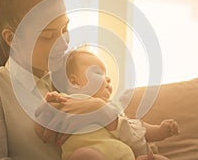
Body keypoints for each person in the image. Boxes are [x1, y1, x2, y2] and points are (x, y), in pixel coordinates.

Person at [0, 0, 118, 160]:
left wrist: (100, 109)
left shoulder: (72, 77)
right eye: (48, 36)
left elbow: (129, 131)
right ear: (11, 38)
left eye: (65, 28)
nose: (64, 42)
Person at [38, 49, 179, 160]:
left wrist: (160, 131)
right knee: (85, 156)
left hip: (127, 156)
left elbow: (138, 127)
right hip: (93, 154)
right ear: (74, 82)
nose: (108, 78)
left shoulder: (113, 107)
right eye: (98, 72)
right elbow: (43, 127)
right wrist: (51, 102)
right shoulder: (67, 100)